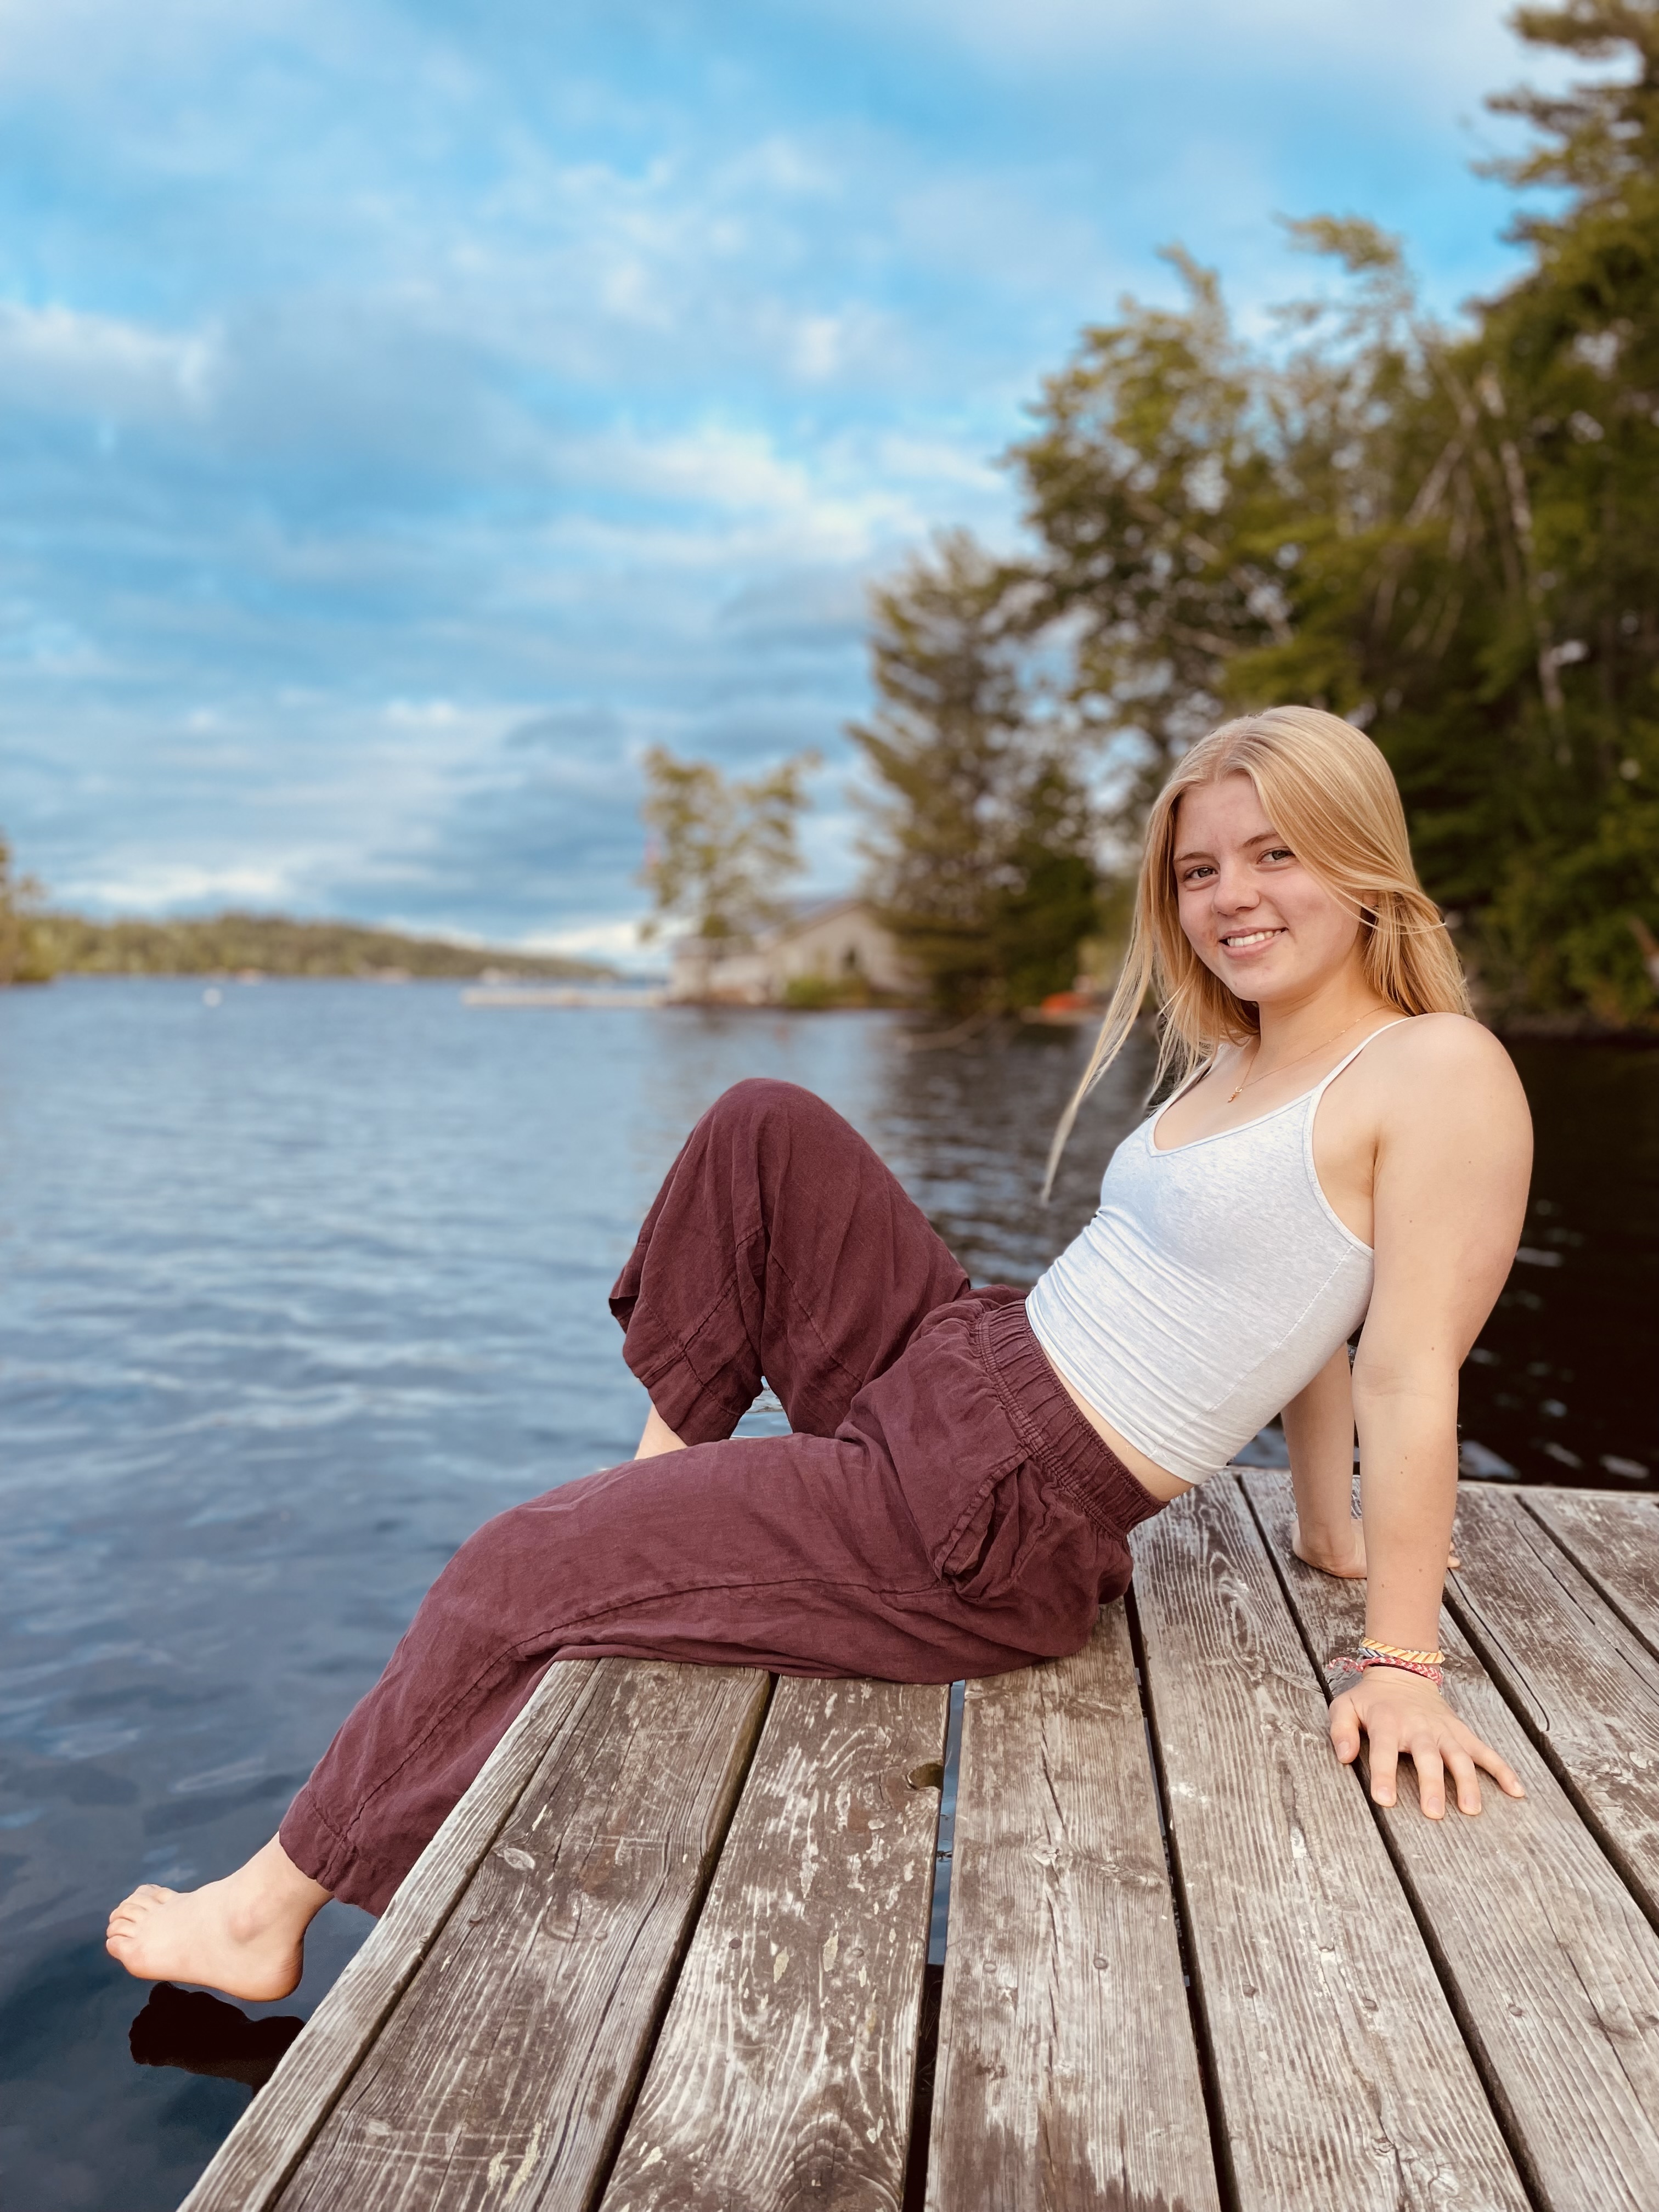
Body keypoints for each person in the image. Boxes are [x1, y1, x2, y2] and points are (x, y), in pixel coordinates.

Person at [106, 705, 1531, 2004]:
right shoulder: (1248, 1057)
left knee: (510, 1564)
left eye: (1274, 854)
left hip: (989, 1520)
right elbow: (1311, 1313)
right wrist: (1326, 1532)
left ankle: (265, 1912)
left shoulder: (1437, 1070)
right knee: (765, 1126)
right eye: (1200, 870)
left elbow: (1406, 1366)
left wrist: (1400, 1660)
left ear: (1362, 862)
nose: (1230, 897)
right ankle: (654, 1523)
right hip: (974, 1357)